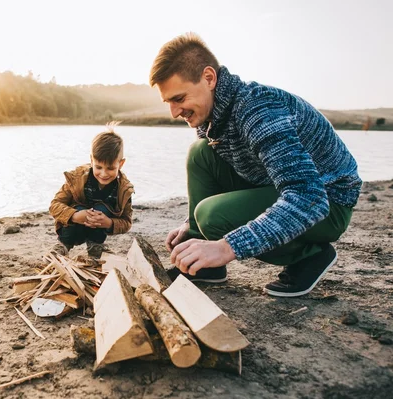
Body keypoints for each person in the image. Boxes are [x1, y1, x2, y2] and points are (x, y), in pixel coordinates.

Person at [150, 33, 362, 297]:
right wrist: (190, 226)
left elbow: (309, 197)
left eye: (179, 99)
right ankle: (204, 263)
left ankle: (309, 256)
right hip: (276, 184)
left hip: (328, 201)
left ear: (208, 78)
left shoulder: (258, 111)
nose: (173, 112)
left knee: (212, 216)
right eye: (168, 102)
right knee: (200, 153)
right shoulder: (211, 116)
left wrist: (226, 247)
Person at [49, 123, 134, 259]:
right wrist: (75, 216)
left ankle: (95, 246)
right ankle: (63, 245)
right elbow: (54, 205)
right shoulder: (76, 178)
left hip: (99, 229)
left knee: (102, 208)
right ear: (91, 160)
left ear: (121, 164)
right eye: (98, 167)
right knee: (80, 207)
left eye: (110, 168)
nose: (104, 173)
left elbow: (127, 222)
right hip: (73, 228)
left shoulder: (124, 189)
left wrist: (108, 222)